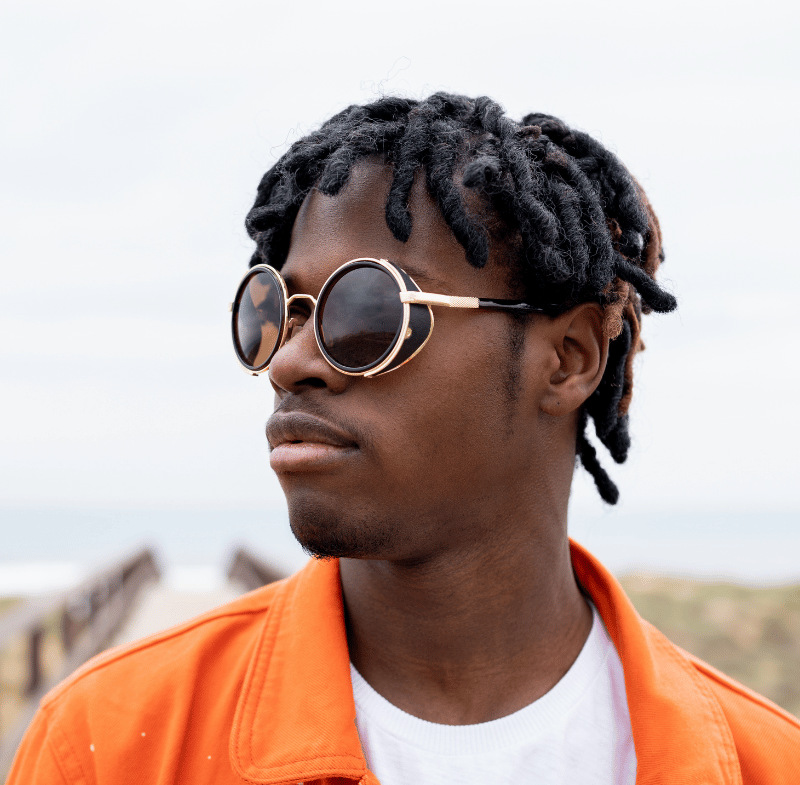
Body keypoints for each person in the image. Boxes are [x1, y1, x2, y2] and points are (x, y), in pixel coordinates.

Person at [8, 93, 800, 784]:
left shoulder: (765, 764)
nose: (288, 363)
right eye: (275, 310)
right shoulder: (111, 745)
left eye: (367, 311)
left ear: (569, 359)